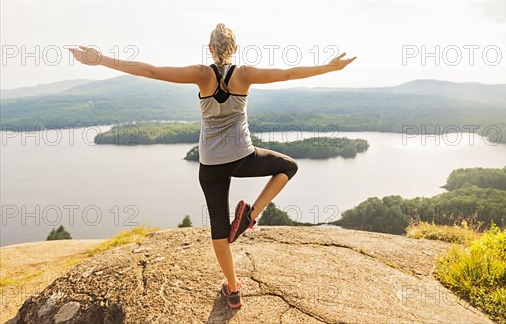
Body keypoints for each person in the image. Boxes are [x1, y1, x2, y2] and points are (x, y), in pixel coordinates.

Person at [69, 23, 356, 308]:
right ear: (235, 49)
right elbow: (289, 73)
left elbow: (151, 70)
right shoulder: (245, 74)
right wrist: (330, 68)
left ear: (210, 49)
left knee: (219, 229)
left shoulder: (201, 75)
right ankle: (250, 216)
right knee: (288, 167)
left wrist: (100, 59)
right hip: (244, 158)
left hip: (211, 166)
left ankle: (233, 290)